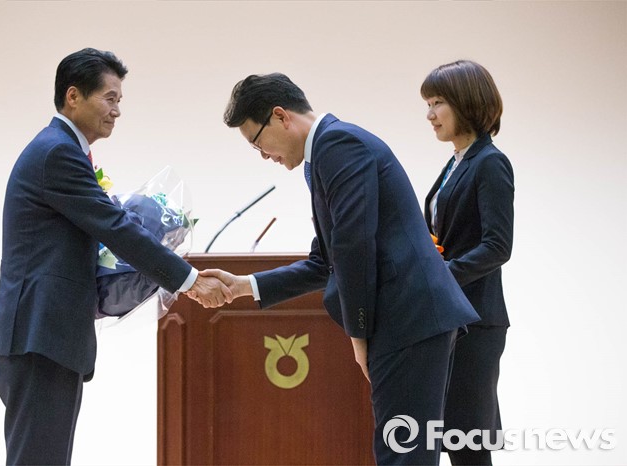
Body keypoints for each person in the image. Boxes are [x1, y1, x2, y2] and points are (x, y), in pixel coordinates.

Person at [197, 73, 479, 465]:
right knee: (404, 453)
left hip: (409, 320)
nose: (263, 156)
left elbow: (353, 247)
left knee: (403, 456)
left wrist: (358, 334)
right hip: (411, 321)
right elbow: (326, 261)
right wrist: (243, 285)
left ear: (281, 116)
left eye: (257, 143)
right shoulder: (326, 153)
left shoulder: (337, 144)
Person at [0, 48, 232, 465]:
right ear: (73, 96)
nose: (117, 110)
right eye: (110, 98)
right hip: (38, 336)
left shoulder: (62, 149)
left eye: (120, 100)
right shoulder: (57, 152)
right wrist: (189, 280)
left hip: (44, 337)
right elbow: (116, 228)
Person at [421, 60, 514, 465]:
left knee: (469, 445)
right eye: (428, 104)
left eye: (437, 102)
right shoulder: (457, 161)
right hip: (451, 318)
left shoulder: (490, 162)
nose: (430, 115)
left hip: (476, 321)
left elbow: (498, 246)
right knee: (454, 439)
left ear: (467, 102)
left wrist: (440, 277)